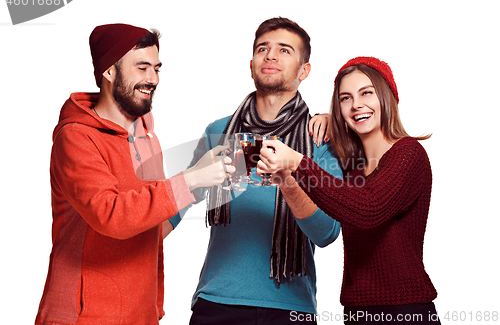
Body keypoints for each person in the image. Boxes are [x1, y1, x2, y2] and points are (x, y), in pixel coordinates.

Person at [35, 23, 234, 325]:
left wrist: (199, 183)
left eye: (156, 68)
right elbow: (111, 215)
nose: (152, 79)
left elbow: (150, 225)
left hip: (140, 316)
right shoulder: (76, 138)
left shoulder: (146, 138)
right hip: (83, 318)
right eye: (142, 68)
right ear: (109, 71)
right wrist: (191, 179)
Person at [169, 17, 342, 325]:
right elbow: (176, 205)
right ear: (251, 65)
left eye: (285, 50)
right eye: (263, 48)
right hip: (216, 301)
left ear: (305, 71)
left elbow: (327, 233)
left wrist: (289, 183)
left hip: (290, 307)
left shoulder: (320, 139)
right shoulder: (220, 132)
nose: (271, 55)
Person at [258, 56, 440, 324]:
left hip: (405, 310)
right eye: (345, 98)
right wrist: (328, 120)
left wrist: (297, 162)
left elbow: (368, 209)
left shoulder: (409, 154)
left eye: (367, 93)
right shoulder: (352, 168)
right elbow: (335, 193)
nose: (356, 104)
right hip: (356, 312)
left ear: (387, 97)